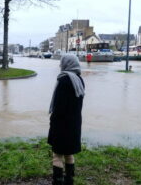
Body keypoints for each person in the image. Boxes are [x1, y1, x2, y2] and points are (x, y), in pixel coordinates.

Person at [48, 54, 85, 185]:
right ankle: (69, 181)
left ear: (66, 64)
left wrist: (52, 121)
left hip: (62, 124)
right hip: (74, 123)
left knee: (57, 155)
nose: (60, 65)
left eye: (61, 62)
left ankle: (57, 181)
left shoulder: (64, 80)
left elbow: (59, 106)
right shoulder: (79, 80)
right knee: (69, 153)